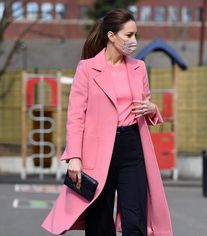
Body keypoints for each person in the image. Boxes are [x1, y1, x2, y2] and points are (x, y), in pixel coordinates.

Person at [41, 9, 173, 236]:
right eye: (129, 35)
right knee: (100, 221)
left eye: (135, 35)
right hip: (97, 152)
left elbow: (146, 103)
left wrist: (153, 109)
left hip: (132, 146)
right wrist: (74, 156)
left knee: (135, 219)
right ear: (111, 36)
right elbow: (75, 116)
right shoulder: (87, 68)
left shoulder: (138, 67)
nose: (134, 41)